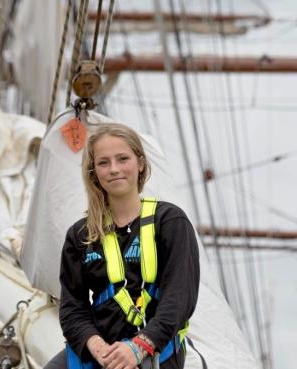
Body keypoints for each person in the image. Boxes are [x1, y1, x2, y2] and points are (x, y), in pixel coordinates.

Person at [45, 123, 200, 369]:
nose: (114, 169)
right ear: (94, 172)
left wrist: (139, 347)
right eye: (103, 162)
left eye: (123, 159)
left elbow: (179, 298)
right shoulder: (80, 235)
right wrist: (98, 348)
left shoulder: (170, 222)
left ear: (140, 164)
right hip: (101, 352)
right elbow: (73, 309)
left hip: (155, 349)